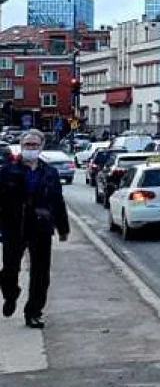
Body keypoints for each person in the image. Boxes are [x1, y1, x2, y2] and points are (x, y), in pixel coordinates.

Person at [0, 129, 70, 329]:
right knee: (9, 270)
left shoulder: (50, 172)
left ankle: (33, 312)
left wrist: (63, 228)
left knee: (40, 273)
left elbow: (57, 201)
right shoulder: (7, 171)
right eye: (27, 145)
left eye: (34, 145)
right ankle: (11, 294)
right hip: (14, 226)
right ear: (21, 147)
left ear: (41, 147)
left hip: (41, 227)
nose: (31, 148)